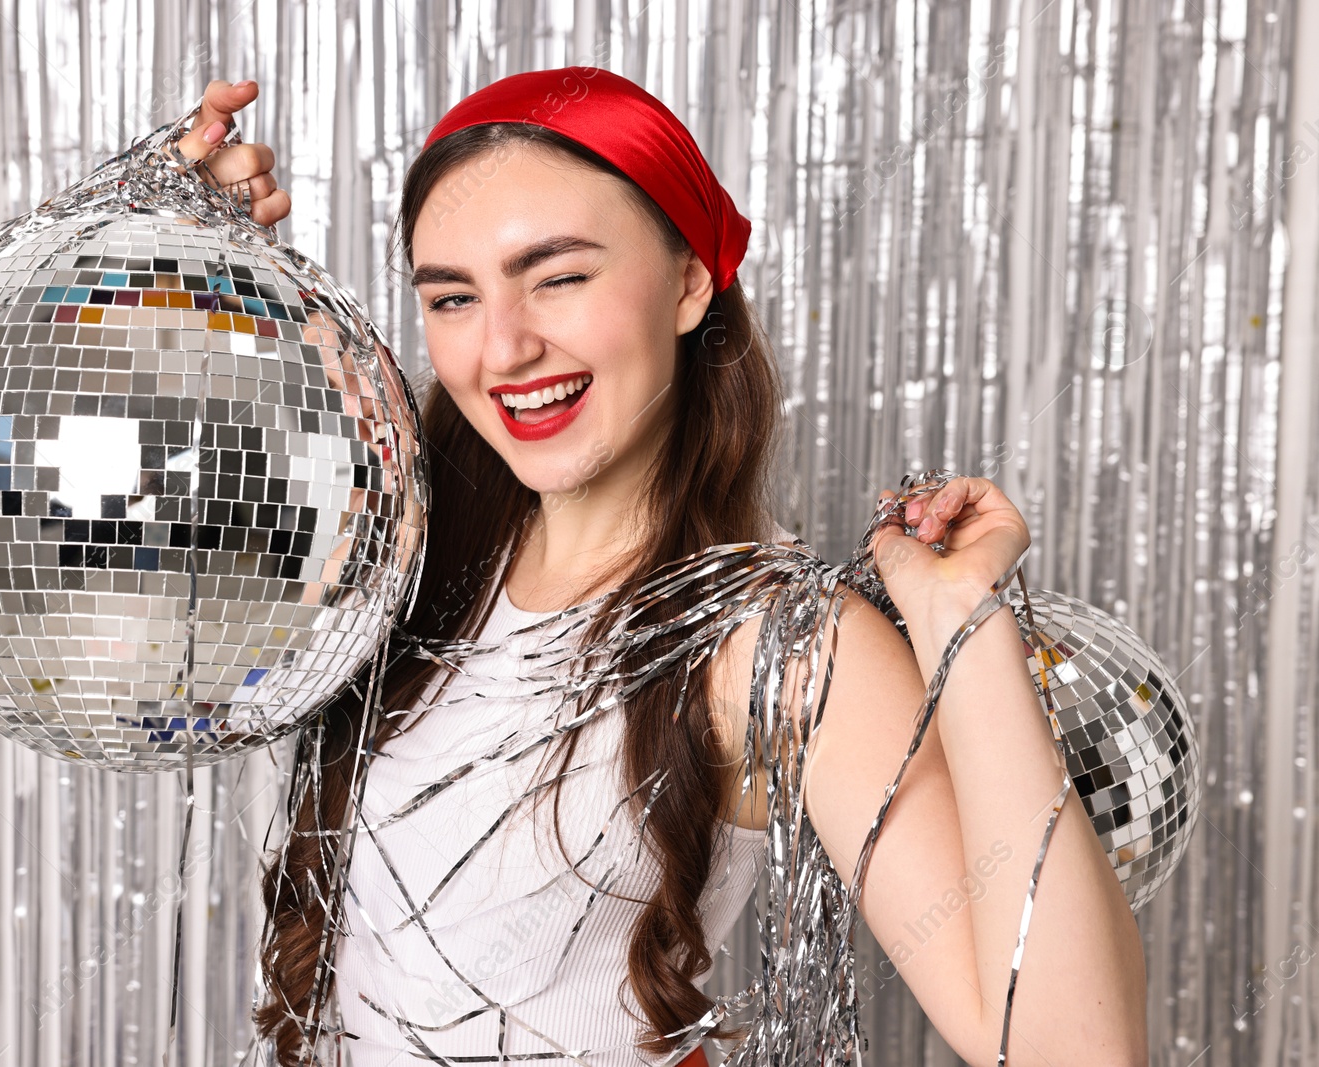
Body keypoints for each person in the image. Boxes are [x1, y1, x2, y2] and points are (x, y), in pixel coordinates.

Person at [172, 73, 1149, 1067]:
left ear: (688, 283)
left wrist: (962, 619)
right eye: (454, 296)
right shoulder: (396, 559)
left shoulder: (776, 642)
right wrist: (195, 268)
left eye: (558, 276)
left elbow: (1073, 1052)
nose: (504, 346)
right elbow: (110, 589)